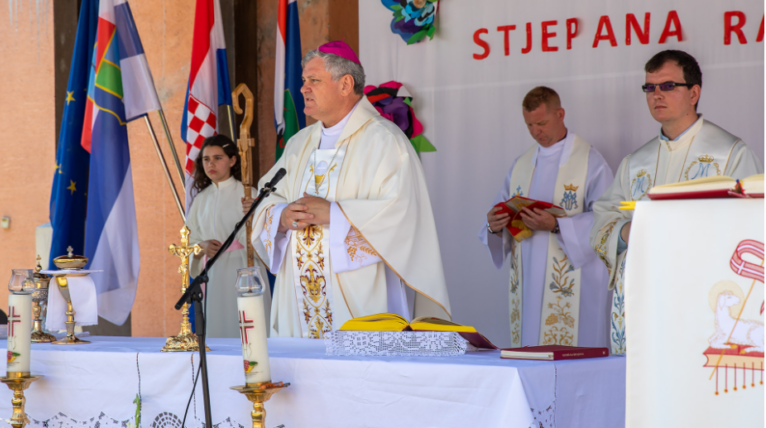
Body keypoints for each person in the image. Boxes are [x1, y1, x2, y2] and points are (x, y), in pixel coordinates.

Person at [246, 40, 451, 338]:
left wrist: (334, 213)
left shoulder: (384, 140)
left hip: (360, 292)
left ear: (345, 84)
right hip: (298, 296)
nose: (304, 88)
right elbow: (267, 196)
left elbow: (402, 214)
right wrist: (281, 214)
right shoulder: (299, 143)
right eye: (304, 80)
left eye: (313, 80)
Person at [590, 50, 763, 355]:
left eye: (668, 86)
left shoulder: (730, 153)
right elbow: (604, 219)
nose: (656, 94)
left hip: (698, 297)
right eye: (650, 87)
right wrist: (627, 232)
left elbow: (751, 227)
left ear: (694, 92)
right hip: (643, 300)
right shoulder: (635, 163)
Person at [479, 87, 614, 348]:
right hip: (529, 282)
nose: (535, 132)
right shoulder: (521, 164)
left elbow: (607, 221)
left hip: (572, 283)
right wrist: (494, 226)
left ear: (560, 114)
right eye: (529, 125)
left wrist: (556, 225)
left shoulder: (590, 162)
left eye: (541, 123)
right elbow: (501, 209)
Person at [186, 135, 271, 338]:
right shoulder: (201, 199)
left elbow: (265, 233)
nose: (211, 164)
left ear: (232, 161)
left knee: (247, 328)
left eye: (218, 158)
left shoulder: (248, 193)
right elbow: (189, 240)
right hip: (213, 273)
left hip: (243, 268)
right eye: (206, 159)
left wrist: (252, 218)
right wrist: (201, 247)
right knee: (218, 326)